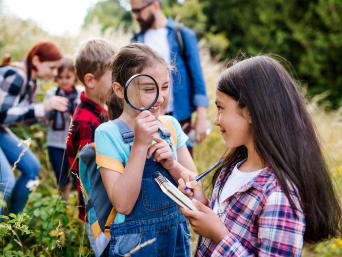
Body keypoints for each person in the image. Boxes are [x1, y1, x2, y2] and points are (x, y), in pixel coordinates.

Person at [178, 56, 342, 256]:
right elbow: (233, 223)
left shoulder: (279, 196)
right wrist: (203, 205)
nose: (217, 120)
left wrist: (219, 236)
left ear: (250, 113)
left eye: (221, 108)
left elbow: (225, 233)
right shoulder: (233, 166)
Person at [95, 43, 197, 256]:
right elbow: (123, 204)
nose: (160, 98)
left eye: (166, 86)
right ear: (120, 90)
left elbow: (197, 194)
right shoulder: (108, 134)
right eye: (149, 89)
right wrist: (140, 145)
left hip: (176, 240)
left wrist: (172, 164)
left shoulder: (171, 126)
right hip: (135, 246)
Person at [130, 0, 209, 154]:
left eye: (138, 10)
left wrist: (201, 116)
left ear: (155, 5)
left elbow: (197, 76)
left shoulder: (183, 35)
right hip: (149, 115)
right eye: (133, 11)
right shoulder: (136, 41)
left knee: (184, 165)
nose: (135, 16)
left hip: (181, 116)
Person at [0, 41, 67, 215]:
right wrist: (42, 107)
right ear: (36, 60)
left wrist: (49, 113)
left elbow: (22, 118)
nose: (54, 74)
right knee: (6, 183)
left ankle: (12, 222)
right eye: (51, 68)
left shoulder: (31, 82)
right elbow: (3, 115)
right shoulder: (18, 75)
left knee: (32, 168)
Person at [65, 38, 116, 256]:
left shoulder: (100, 110)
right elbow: (92, 175)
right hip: (98, 212)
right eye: (112, 77)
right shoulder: (87, 121)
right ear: (90, 80)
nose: (117, 83)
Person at [45, 57, 83, 201]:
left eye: (68, 77)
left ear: (75, 77)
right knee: (62, 179)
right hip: (55, 143)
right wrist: (51, 113)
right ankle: (63, 206)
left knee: (79, 178)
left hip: (75, 145)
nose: (64, 81)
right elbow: (44, 118)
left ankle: (81, 208)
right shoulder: (52, 94)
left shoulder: (80, 93)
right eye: (60, 77)